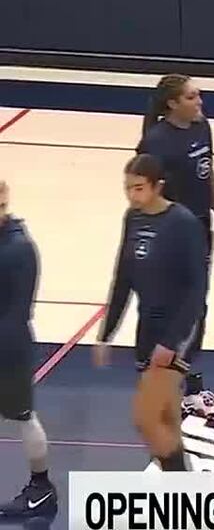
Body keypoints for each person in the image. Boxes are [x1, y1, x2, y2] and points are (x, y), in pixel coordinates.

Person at [96, 154, 208, 472]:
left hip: (182, 326)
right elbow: (123, 278)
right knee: (165, 415)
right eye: (128, 188)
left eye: (139, 188)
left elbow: (197, 290)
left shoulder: (184, 224)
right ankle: (182, 490)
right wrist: (107, 333)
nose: (132, 195)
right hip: (149, 323)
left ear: (158, 186)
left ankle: (180, 482)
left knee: (144, 418)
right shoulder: (132, 219)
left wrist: (172, 341)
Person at [137, 73, 214, 424]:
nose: (200, 103)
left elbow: (208, 175)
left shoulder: (202, 128)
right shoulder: (156, 141)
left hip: (200, 231)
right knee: (174, 311)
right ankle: (168, 388)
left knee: (197, 309)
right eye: (192, 97)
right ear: (172, 103)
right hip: (171, 238)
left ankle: (189, 388)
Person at [0, 180, 56, 519]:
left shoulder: (20, 249)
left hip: (11, 346)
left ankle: (41, 488)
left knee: (23, 417)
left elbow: (17, 313)